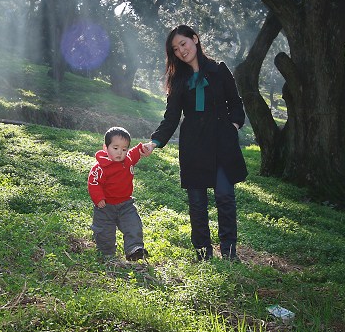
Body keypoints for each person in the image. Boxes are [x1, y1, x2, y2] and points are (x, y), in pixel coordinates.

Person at [142, 25, 248, 261]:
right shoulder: (178, 79)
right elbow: (171, 118)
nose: (181, 51)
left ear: (195, 39)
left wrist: (234, 126)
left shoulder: (219, 70)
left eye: (183, 44)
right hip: (193, 146)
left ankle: (229, 252)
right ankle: (203, 253)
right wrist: (155, 142)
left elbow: (236, 103)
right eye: (175, 49)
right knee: (197, 203)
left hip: (222, 143)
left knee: (225, 198)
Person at [88, 126, 152, 262]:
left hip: (126, 204)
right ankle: (106, 254)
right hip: (105, 207)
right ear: (105, 148)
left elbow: (136, 152)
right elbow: (94, 183)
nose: (120, 153)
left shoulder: (127, 160)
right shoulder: (100, 167)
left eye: (124, 149)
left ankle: (134, 249)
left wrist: (144, 147)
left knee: (133, 225)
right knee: (104, 232)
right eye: (115, 148)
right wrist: (98, 198)